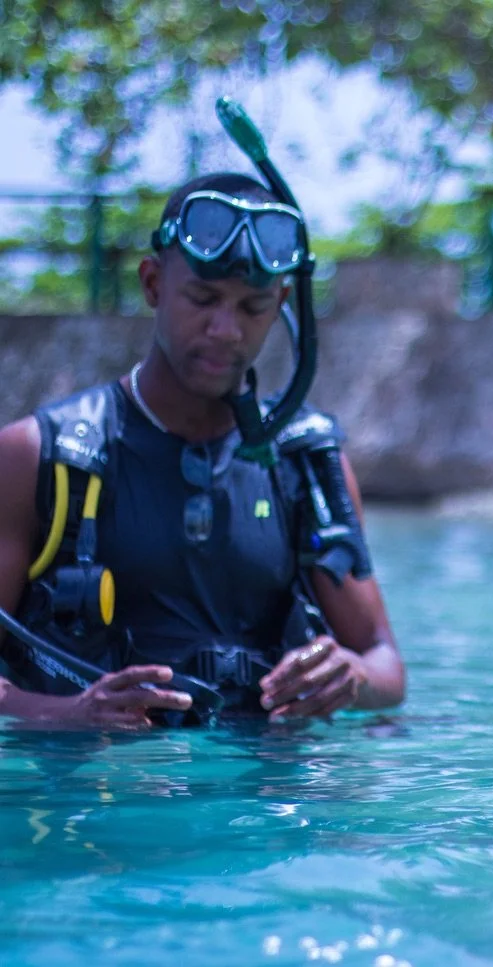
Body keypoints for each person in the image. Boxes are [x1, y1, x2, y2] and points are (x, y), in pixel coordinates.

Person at [0, 171, 406, 728]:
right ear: (152, 284)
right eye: (203, 299)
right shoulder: (36, 457)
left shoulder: (306, 463)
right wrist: (65, 713)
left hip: (266, 802)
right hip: (102, 797)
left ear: (282, 304)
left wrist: (350, 677)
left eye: (252, 307)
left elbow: (385, 664)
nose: (226, 329)